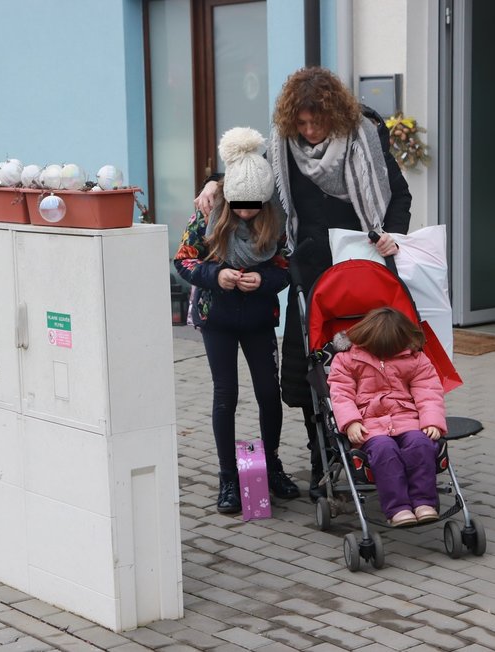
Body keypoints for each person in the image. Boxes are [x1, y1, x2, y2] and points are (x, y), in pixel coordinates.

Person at [195, 66, 412, 500]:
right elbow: (250, 177)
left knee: (370, 367)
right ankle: (323, 463)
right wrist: (214, 183)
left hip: (363, 270)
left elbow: (398, 195)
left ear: (336, 115)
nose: (310, 131)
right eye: (302, 123)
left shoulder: (365, 139)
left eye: (318, 122)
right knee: (314, 370)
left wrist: (392, 234)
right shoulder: (283, 145)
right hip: (311, 274)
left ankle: (383, 449)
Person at [175, 126, 300, 514]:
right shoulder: (210, 216)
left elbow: (287, 266)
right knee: (225, 396)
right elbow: (183, 260)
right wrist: (216, 276)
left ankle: (273, 465)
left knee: (268, 394)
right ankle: (228, 478)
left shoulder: (275, 221)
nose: (246, 212)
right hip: (218, 321)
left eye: (254, 206)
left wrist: (266, 280)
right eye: (240, 204)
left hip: (261, 320)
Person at [327, 307, 446, 527]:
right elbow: (341, 394)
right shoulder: (347, 360)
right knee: (385, 450)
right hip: (369, 425)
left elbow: (428, 392)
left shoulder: (415, 359)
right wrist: (351, 421)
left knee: (421, 444)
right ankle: (398, 507)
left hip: (407, 418)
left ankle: (423, 502)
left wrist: (431, 421)